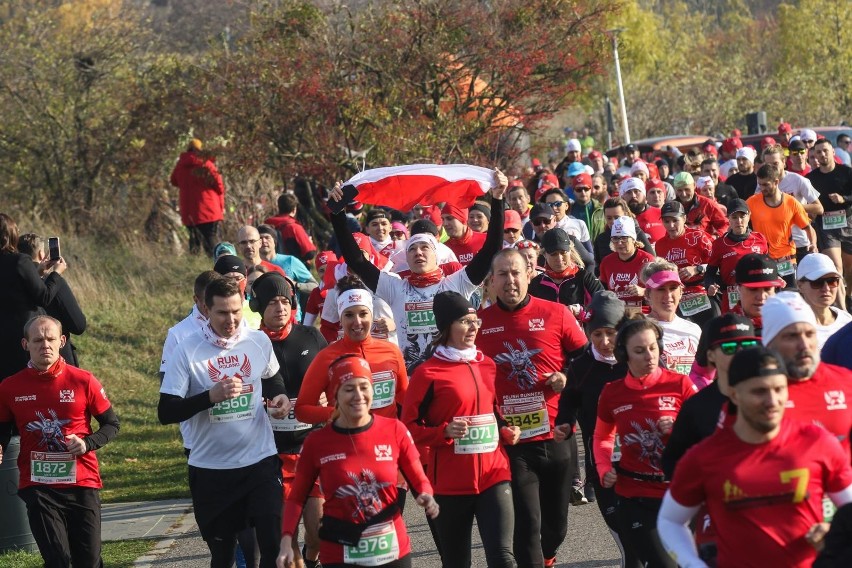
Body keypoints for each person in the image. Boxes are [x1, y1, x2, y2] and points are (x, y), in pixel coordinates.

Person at [658, 346, 852, 568]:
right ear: (733, 394)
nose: (772, 401)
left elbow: (849, 509)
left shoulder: (818, 442)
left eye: (779, 389)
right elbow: (670, 520)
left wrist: (833, 532)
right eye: (759, 391)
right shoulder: (705, 457)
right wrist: (693, 563)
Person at [158, 278, 292, 568]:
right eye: (222, 313)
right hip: (212, 470)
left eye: (235, 311)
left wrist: (279, 396)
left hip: (260, 462)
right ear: (206, 309)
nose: (230, 320)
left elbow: (271, 377)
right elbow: (166, 411)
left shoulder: (257, 340)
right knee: (223, 556)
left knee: (273, 546)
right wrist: (210, 397)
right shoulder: (187, 350)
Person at [328, 169, 508, 371]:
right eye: (412, 248)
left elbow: (491, 249)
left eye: (425, 248)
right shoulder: (395, 287)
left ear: (437, 255)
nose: (418, 252)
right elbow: (357, 261)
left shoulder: (456, 283)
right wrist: (337, 214)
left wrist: (498, 199)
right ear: (406, 258)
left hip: (452, 376)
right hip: (414, 382)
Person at [477, 248, 588, 567]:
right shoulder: (480, 325)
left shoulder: (556, 313)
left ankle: (548, 558)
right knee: (527, 528)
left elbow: (584, 360)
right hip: (512, 443)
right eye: (502, 274)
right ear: (492, 281)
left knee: (556, 528)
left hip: (556, 436)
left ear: (529, 275)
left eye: (516, 273)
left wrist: (565, 377)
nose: (510, 280)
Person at [277, 356, 439, 568]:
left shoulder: (395, 430)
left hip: (391, 548)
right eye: (348, 389)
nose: (359, 396)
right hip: (340, 551)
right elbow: (296, 498)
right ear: (335, 395)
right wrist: (287, 538)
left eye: (364, 387)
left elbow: (418, 477)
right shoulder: (317, 442)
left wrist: (426, 494)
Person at [402, 292, 519, 568]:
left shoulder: (487, 365)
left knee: (504, 558)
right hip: (450, 484)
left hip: (494, 474)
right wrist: (443, 432)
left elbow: (494, 412)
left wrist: (506, 431)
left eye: (475, 320)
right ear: (447, 328)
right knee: (456, 562)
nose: (473, 327)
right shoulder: (428, 373)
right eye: (464, 322)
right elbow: (407, 428)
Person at [0, 315, 119, 568]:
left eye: (51, 339)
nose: (45, 344)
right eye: (38, 339)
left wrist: (87, 443)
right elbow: (2, 429)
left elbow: (111, 424)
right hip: (38, 485)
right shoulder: (10, 387)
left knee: (88, 561)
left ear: (62, 341)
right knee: (58, 560)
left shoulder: (83, 380)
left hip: (82, 482)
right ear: (26, 344)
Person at [593, 317, 697, 568]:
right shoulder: (612, 392)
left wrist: (678, 430)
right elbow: (602, 437)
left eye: (653, 347)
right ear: (624, 355)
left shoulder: (680, 384)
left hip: (680, 496)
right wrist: (604, 468)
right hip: (635, 495)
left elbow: (703, 434)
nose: (649, 356)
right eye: (639, 351)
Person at [251, 273, 327, 568]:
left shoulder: (311, 337)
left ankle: (312, 560)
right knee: (287, 535)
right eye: (272, 303)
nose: (280, 308)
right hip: (272, 452)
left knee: (318, 531)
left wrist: (325, 397)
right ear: (258, 306)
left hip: (311, 446)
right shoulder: (250, 344)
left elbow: (334, 378)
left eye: (285, 301)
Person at [555, 291, 637, 566]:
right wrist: (564, 424)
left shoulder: (638, 360)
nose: (604, 342)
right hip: (603, 465)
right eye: (597, 334)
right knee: (625, 538)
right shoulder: (581, 367)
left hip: (644, 461)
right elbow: (568, 403)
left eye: (611, 333)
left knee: (646, 540)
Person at [296, 279, 408, 427]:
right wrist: (336, 413)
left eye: (363, 314)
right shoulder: (326, 357)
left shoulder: (391, 351)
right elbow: (301, 410)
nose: (357, 322)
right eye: (349, 315)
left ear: (371, 315)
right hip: (346, 444)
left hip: (386, 444)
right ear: (340, 320)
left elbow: (404, 398)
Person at [761, 292, 852, 460]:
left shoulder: (846, 381)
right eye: (792, 336)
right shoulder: (753, 392)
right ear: (769, 343)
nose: (804, 345)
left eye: (810, 334)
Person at [0, 214, 67, 382]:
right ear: (11, 236)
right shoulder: (20, 261)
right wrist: (56, 274)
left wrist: (36, 273)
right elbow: (43, 297)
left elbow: (10, 287)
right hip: (20, 338)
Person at [17, 232, 87, 367]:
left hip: (17, 361)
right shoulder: (54, 283)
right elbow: (78, 325)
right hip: (57, 360)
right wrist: (56, 276)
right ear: (42, 255)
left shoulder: (11, 285)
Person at [747, 163, 817, 289]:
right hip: (764, 259)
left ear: (776, 182)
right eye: (760, 184)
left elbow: (808, 228)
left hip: (787, 258)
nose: (762, 188)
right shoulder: (752, 202)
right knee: (770, 297)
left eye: (766, 184)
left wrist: (813, 244)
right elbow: (738, 220)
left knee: (791, 294)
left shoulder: (791, 202)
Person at [655, 201, 719, 327]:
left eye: (675, 220)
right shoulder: (660, 245)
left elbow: (718, 265)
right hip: (678, 295)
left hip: (703, 290)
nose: (671, 225)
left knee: (712, 328)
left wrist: (697, 269)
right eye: (666, 221)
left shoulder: (698, 237)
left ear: (684, 219)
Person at [807, 138, 852, 309]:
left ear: (833, 152)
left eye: (825, 150)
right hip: (826, 226)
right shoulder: (811, 179)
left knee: (850, 269)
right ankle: (843, 312)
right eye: (818, 152)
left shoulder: (846, 172)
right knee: (836, 268)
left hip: (847, 222)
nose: (822, 154)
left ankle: (848, 296)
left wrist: (844, 199)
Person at [761, 143, 824, 264]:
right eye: (768, 165)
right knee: (786, 282)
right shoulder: (762, 184)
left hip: (800, 241)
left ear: (784, 162)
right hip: (776, 245)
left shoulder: (798, 180)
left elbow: (819, 208)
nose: (772, 168)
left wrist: (792, 206)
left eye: (775, 164)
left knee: (805, 280)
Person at [704, 199, 769, 313]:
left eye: (742, 216)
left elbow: (768, 266)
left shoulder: (760, 239)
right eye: (734, 217)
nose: (739, 221)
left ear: (749, 216)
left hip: (757, 296)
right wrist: (710, 286)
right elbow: (710, 273)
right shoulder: (719, 244)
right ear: (728, 219)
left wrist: (776, 276)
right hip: (731, 298)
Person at [641, 260, 702, 376]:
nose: (668, 295)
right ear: (647, 294)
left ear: (681, 292)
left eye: (673, 288)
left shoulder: (694, 329)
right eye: (661, 289)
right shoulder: (638, 329)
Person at [169, 138, 225, 256]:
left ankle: (194, 265)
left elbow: (173, 181)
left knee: (194, 239)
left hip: (189, 210)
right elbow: (219, 185)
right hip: (208, 208)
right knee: (211, 238)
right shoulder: (207, 164)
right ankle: (216, 265)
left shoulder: (180, 165)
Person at [528, 228, 603, 314]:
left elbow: (604, 305)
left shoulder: (585, 277)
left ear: (570, 251)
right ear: (544, 254)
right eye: (553, 254)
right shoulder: (536, 283)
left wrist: (581, 311)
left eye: (563, 252)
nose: (559, 259)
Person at [598, 216, 656, 315]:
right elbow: (602, 290)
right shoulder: (607, 262)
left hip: (642, 312)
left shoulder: (648, 260)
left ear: (633, 239)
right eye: (615, 238)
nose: (619, 243)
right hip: (616, 311)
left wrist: (643, 291)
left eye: (624, 238)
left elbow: (660, 289)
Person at [257, 224, 318, 313]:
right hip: (262, 317)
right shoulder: (254, 265)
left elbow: (315, 286)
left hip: (291, 317)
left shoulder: (290, 261)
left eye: (267, 237)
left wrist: (296, 285)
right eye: (260, 238)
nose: (263, 241)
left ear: (275, 241)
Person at [796, 253, 852, 349]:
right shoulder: (792, 327)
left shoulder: (847, 321)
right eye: (817, 282)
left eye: (832, 281)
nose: (826, 288)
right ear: (800, 286)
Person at [593, 198, 655, 270]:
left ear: (626, 215)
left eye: (617, 217)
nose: (613, 221)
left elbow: (652, 261)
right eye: (609, 218)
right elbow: (598, 266)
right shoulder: (601, 239)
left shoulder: (637, 233)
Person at [265, 193, 318, 266]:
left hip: (269, 266)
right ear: (294, 209)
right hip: (291, 268)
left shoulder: (267, 225)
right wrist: (310, 242)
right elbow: (310, 253)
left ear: (279, 207)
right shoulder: (294, 227)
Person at [671, 172, 729, 237]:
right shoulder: (671, 207)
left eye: (687, 189)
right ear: (675, 189)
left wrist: (716, 236)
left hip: (703, 245)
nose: (684, 194)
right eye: (679, 190)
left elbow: (725, 224)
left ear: (694, 185)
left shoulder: (707, 204)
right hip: (680, 246)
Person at [621, 178, 665, 244]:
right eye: (628, 192)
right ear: (622, 197)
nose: (633, 196)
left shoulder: (661, 214)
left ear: (644, 194)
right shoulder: (619, 219)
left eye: (636, 191)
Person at [570, 173, 605, 240]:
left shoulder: (601, 209)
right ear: (573, 191)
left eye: (586, 188)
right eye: (578, 189)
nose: (583, 192)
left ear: (591, 189)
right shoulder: (569, 210)